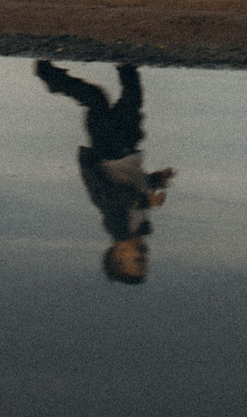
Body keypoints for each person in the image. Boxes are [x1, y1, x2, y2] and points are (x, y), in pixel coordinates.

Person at [34, 60, 174, 283]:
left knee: (98, 100)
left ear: (118, 254)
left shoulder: (117, 227)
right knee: (130, 100)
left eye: (136, 260)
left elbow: (116, 198)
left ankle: (51, 77)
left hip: (107, 151)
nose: (143, 255)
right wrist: (158, 179)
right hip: (126, 148)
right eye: (145, 261)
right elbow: (136, 184)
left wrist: (146, 201)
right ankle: (126, 63)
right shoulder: (140, 225)